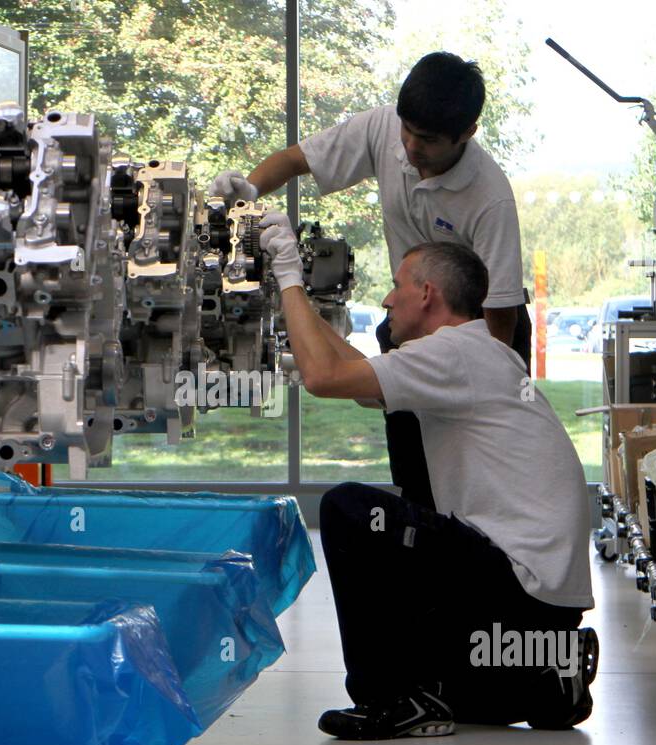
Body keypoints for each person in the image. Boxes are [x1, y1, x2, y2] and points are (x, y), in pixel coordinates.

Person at [258, 218, 597, 740]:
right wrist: (302, 306)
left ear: (427, 293)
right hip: (538, 603)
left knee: (350, 510)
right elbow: (362, 382)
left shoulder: (453, 353)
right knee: (458, 695)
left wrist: (288, 277)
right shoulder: (480, 350)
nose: (389, 300)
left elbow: (324, 378)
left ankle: (390, 698)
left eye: (397, 285)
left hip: (516, 583)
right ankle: (547, 677)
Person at [211, 51, 531, 510]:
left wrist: (481, 386)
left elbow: (500, 314)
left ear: (467, 134)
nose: (411, 147)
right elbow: (293, 160)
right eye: (407, 130)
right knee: (412, 465)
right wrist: (248, 195)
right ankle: (422, 539)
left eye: (427, 139)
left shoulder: (490, 197)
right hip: (414, 321)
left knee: (476, 472)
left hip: (484, 330)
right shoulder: (384, 129)